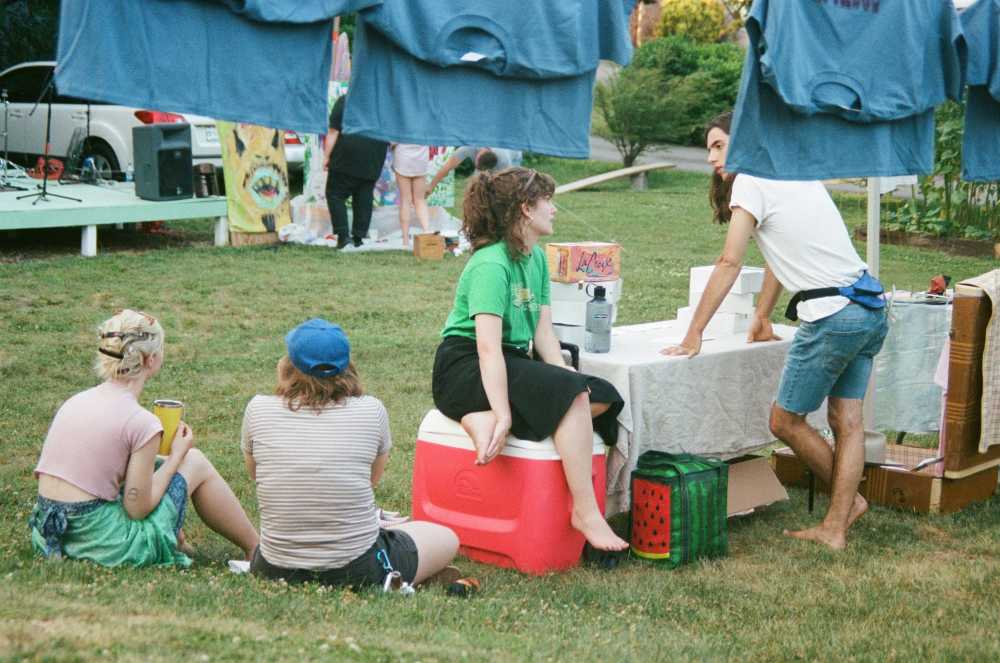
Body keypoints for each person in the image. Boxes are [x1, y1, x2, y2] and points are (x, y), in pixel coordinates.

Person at [663, 112, 889, 551]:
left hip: (833, 315)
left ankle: (847, 507)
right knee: (848, 422)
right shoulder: (792, 172)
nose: (711, 157)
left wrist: (694, 333)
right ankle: (838, 523)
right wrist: (763, 314)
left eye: (718, 145)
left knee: (784, 420)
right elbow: (779, 254)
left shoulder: (750, 180)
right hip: (870, 307)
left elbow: (730, 261)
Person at [432, 167, 628, 552]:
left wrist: (563, 374)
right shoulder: (491, 264)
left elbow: (543, 335)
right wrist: (504, 413)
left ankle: (484, 418)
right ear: (525, 208)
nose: (553, 209)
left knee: (601, 394)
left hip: (509, 362)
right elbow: (487, 348)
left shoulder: (535, 258)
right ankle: (586, 513)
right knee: (571, 397)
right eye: (547, 201)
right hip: (465, 367)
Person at [30, 309, 259, 567]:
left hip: (51, 534)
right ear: (151, 359)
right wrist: (177, 456)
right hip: (102, 544)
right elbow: (136, 508)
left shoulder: (76, 401)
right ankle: (256, 549)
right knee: (194, 461)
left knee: (160, 465)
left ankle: (187, 541)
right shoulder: (141, 421)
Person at [242, 318, 459, 588]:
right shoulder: (371, 410)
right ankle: (406, 567)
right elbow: (370, 480)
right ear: (347, 366)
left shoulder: (258, 409)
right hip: (356, 568)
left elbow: (255, 473)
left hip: (272, 566)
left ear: (288, 365)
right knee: (446, 537)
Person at [323, 94, 389, 250]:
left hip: (347, 153)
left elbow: (333, 132)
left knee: (335, 194)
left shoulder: (345, 100)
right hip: (374, 154)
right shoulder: (383, 102)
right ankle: (358, 238)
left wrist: (326, 156)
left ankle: (343, 237)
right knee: (364, 194)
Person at [424, 146, 521, 199]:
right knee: (474, 188)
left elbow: (508, 181)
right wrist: (431, 186)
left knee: (502, 193)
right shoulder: (468, 148)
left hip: (514, 156)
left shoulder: (504, 160)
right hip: (494, 153)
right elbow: (448, 166)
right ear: (477, 156)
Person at [391, 143, 432, 248]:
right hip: (421, 157)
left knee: (405, 200)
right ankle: (427, 232)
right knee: (420, 200)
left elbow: (392, 142)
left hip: (403, 156)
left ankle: (405, 240)